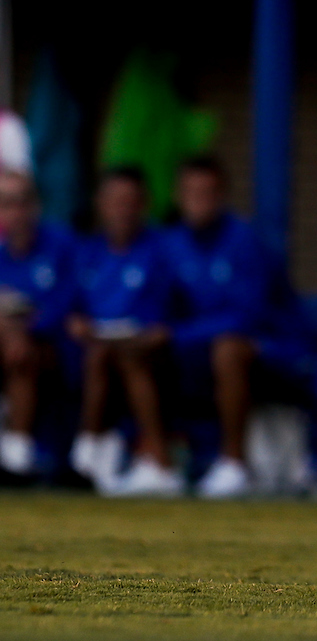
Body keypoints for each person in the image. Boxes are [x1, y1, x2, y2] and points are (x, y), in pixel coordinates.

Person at [160, 156, 275, 499]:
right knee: (135, 349)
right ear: (179, 196)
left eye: (207, 193)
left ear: (222, 195)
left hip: (264, 350)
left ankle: (234, 463)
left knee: (228, 349)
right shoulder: (170, 243)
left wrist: (176, 335)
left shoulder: (244, 241)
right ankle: (154, 460)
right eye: (191, 192)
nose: (199, 201)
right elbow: (160, 306)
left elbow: (248, 317)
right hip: (191, 352)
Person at [67, 167, 182, 496]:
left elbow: (168, 311)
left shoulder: (161, 251)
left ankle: (158, 461)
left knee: (125, 356)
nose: (123, 210)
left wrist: (153, 332)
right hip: (94, 350)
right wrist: (76, 322)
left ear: (144, 205)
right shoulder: (87, 252)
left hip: (153, 352)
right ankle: (90, 453)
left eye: (130, 202)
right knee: (99, 353)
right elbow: (69, 307)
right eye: (116, 201)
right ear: (100, 204)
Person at [0, 170, 75, 481]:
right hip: (9, 347)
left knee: (20, 347)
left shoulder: (61, 245)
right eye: (7, 203)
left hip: (55, 347)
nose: (16, 211)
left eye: (23, 202)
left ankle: (17, 451)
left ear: (36, 205)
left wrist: (25, 328)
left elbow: (68, 302)